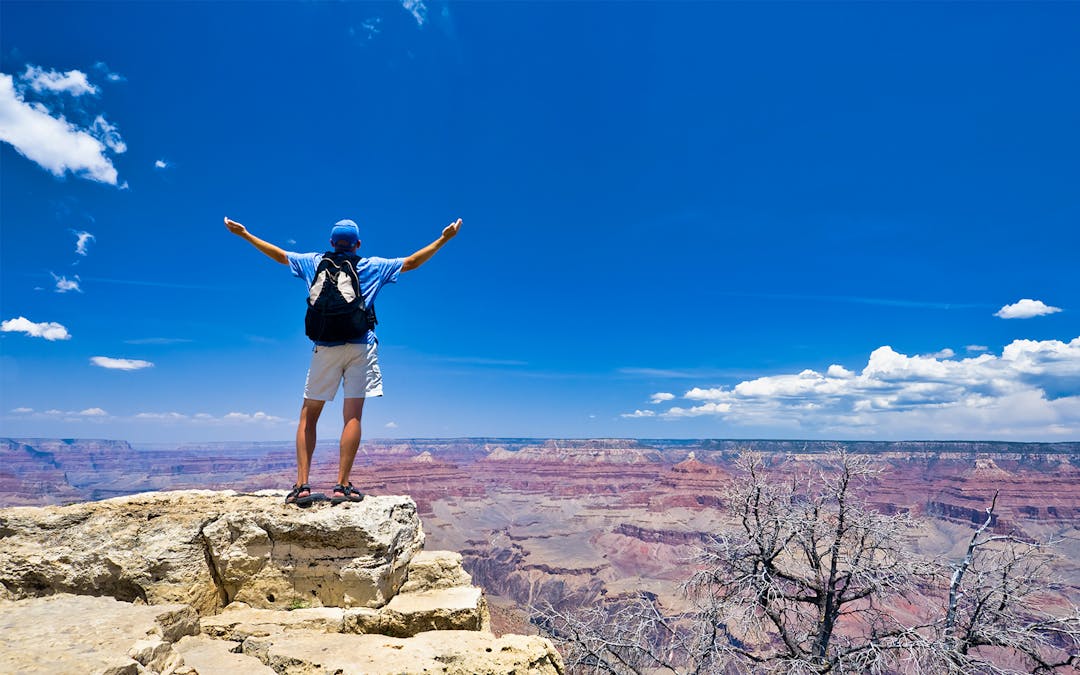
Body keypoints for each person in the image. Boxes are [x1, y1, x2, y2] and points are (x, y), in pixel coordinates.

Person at [224, 215, 461, 506]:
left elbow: (280, 255)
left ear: (332, 243)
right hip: (361, 347)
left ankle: (301, 486)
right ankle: (342, 485)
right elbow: (411, 262)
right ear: (357, 244)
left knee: (308, 416)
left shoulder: (313, 261)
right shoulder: (371, 265)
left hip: (325, 347)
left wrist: (245, 234)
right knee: (352, 416)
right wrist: (444, 238)